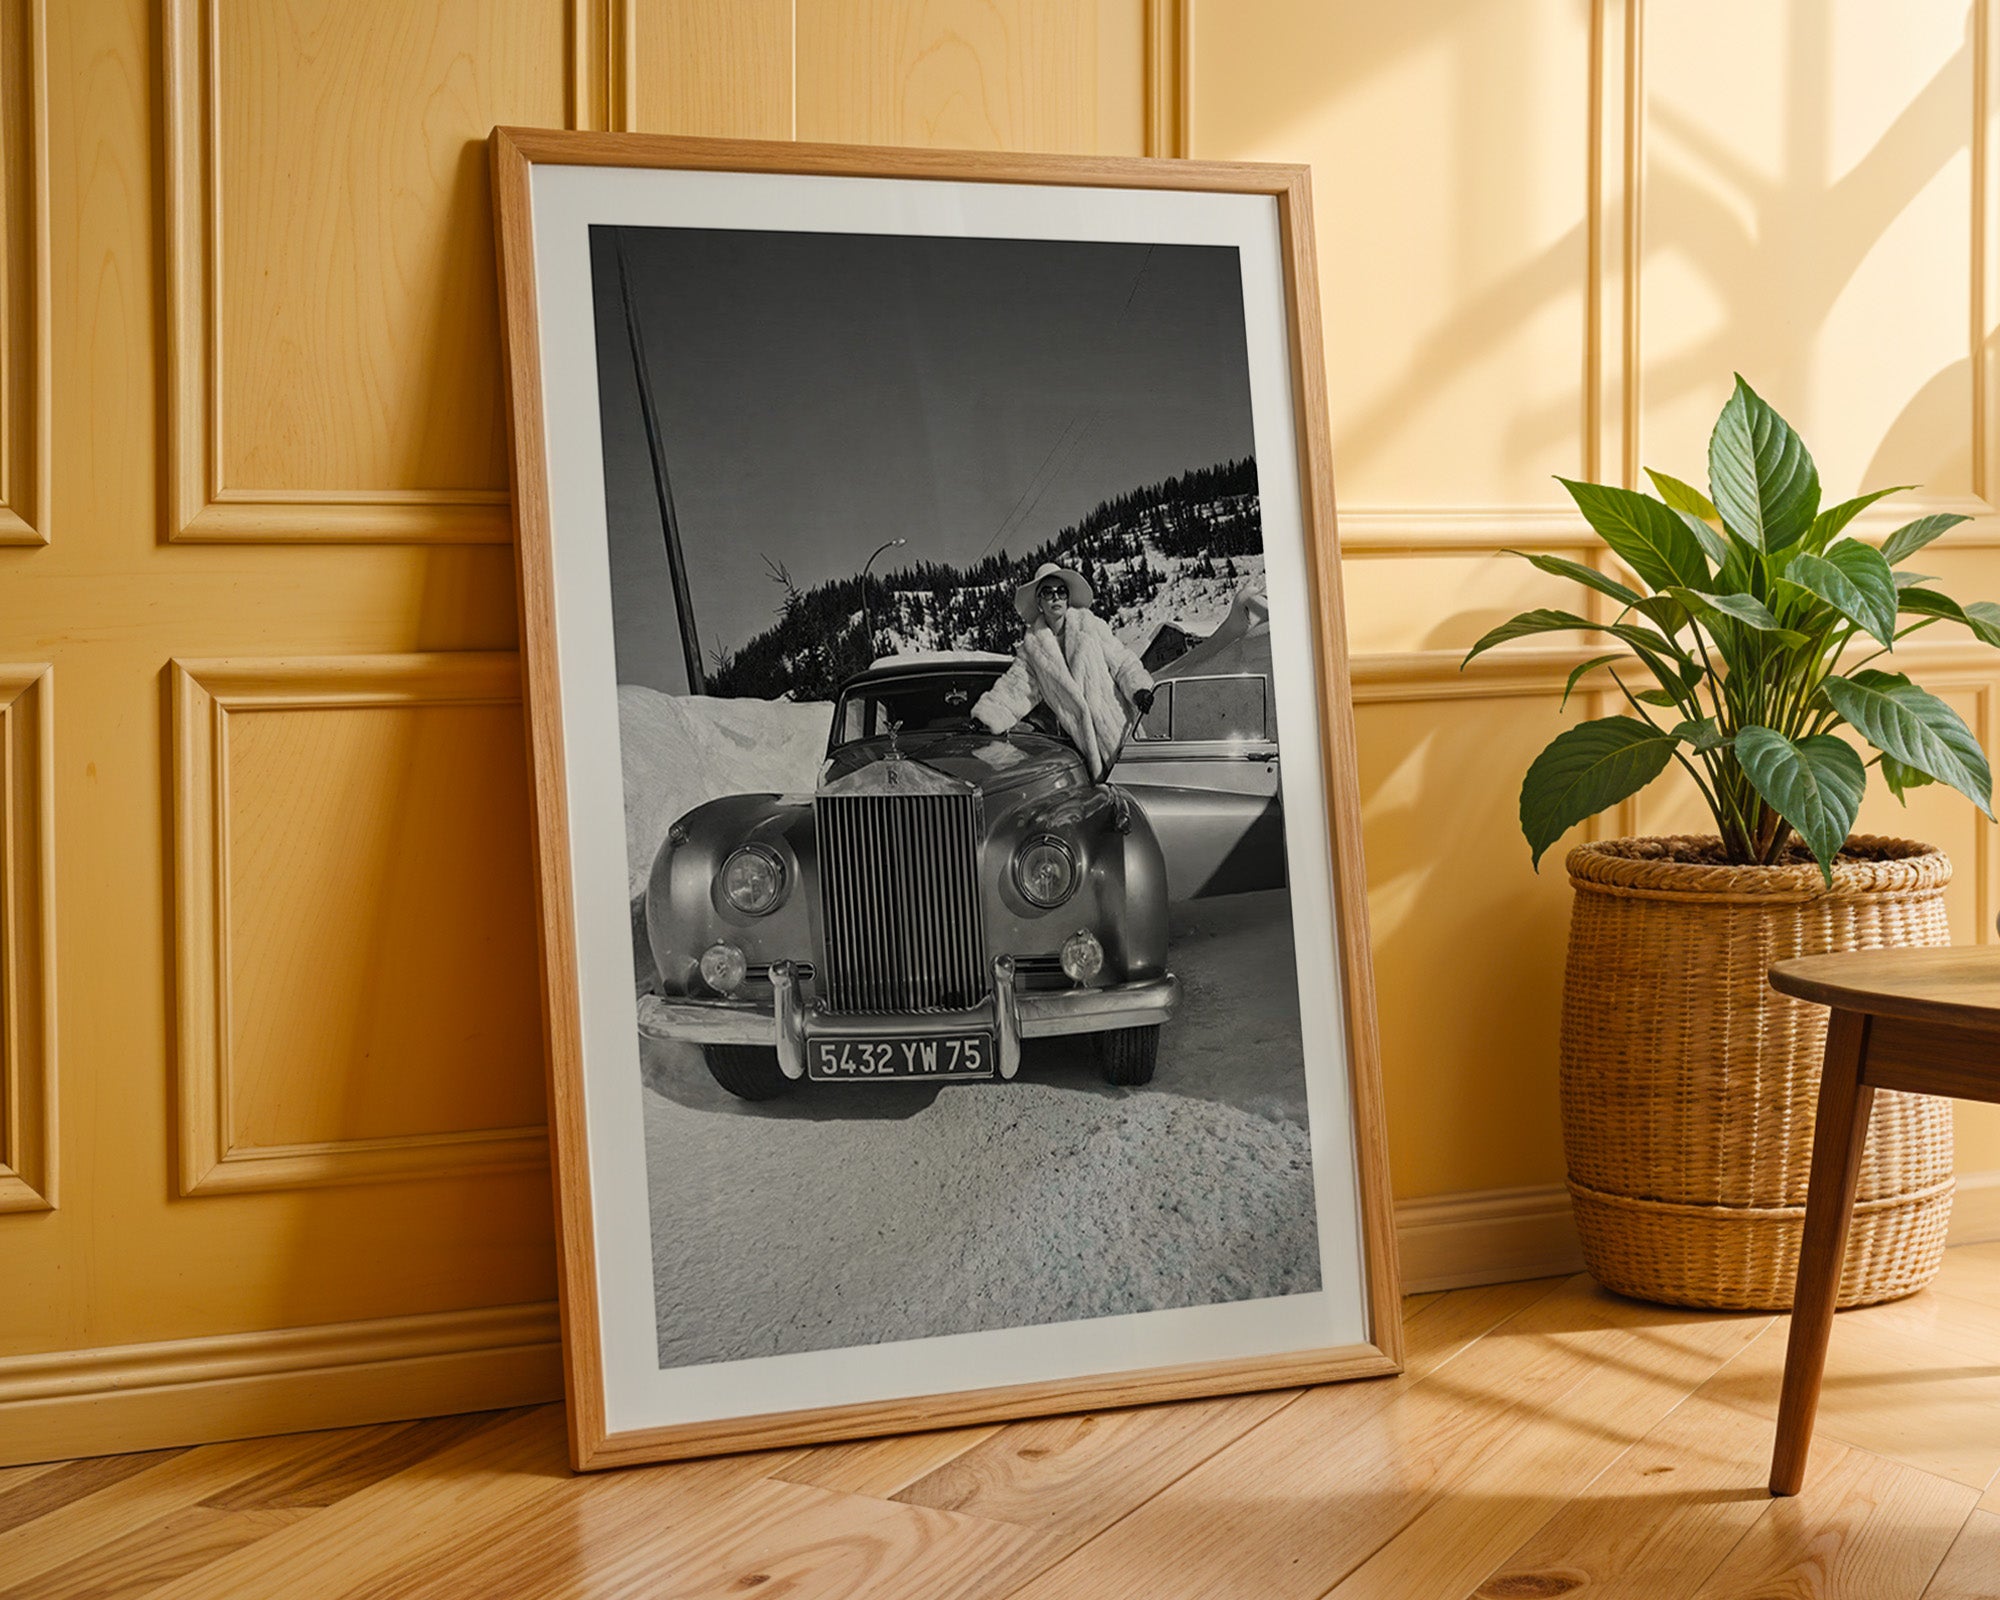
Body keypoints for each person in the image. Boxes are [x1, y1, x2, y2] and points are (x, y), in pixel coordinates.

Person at [972, 562, 1156, 778]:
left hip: (1122, 734)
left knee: (1147, 792)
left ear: (1068, 597)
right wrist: (986, 717)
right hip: (1085, 751)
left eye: (1061, 591)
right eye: (1047, 592)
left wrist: (1139, 689)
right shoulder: (1033, 650)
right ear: (1039, 602)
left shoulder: (1090, 626)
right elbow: (1015, 688)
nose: (1055, 597)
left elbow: (1123, 662)